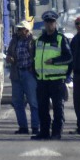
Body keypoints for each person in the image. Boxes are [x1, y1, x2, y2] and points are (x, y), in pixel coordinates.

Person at [31, 10, 73, 141]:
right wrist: (35, 73)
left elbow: (69, 58)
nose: (49, 25)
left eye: (52, 22)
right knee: (42, 108)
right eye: (47, 22)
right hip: (42, 81)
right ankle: (44, 132)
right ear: (44, 23)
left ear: (55, 23)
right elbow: (34, 58)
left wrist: (55, 62)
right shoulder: (39, 40)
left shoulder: (61, 39)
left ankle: (56, 132)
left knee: (57, 108)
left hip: (56, 81)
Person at [6, 20, 39, 135]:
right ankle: (23, 127)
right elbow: (9, 54)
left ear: (27, 30)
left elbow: (38, 57)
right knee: (17, 102)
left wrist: (33, 68)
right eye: (18, 29)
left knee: (33, 102)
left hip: (29, 74)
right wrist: (9, 58)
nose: (19, 31)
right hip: (16, 73)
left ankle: (35, 126)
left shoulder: (34, 41)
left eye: (22, 29)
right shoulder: (14, 41)